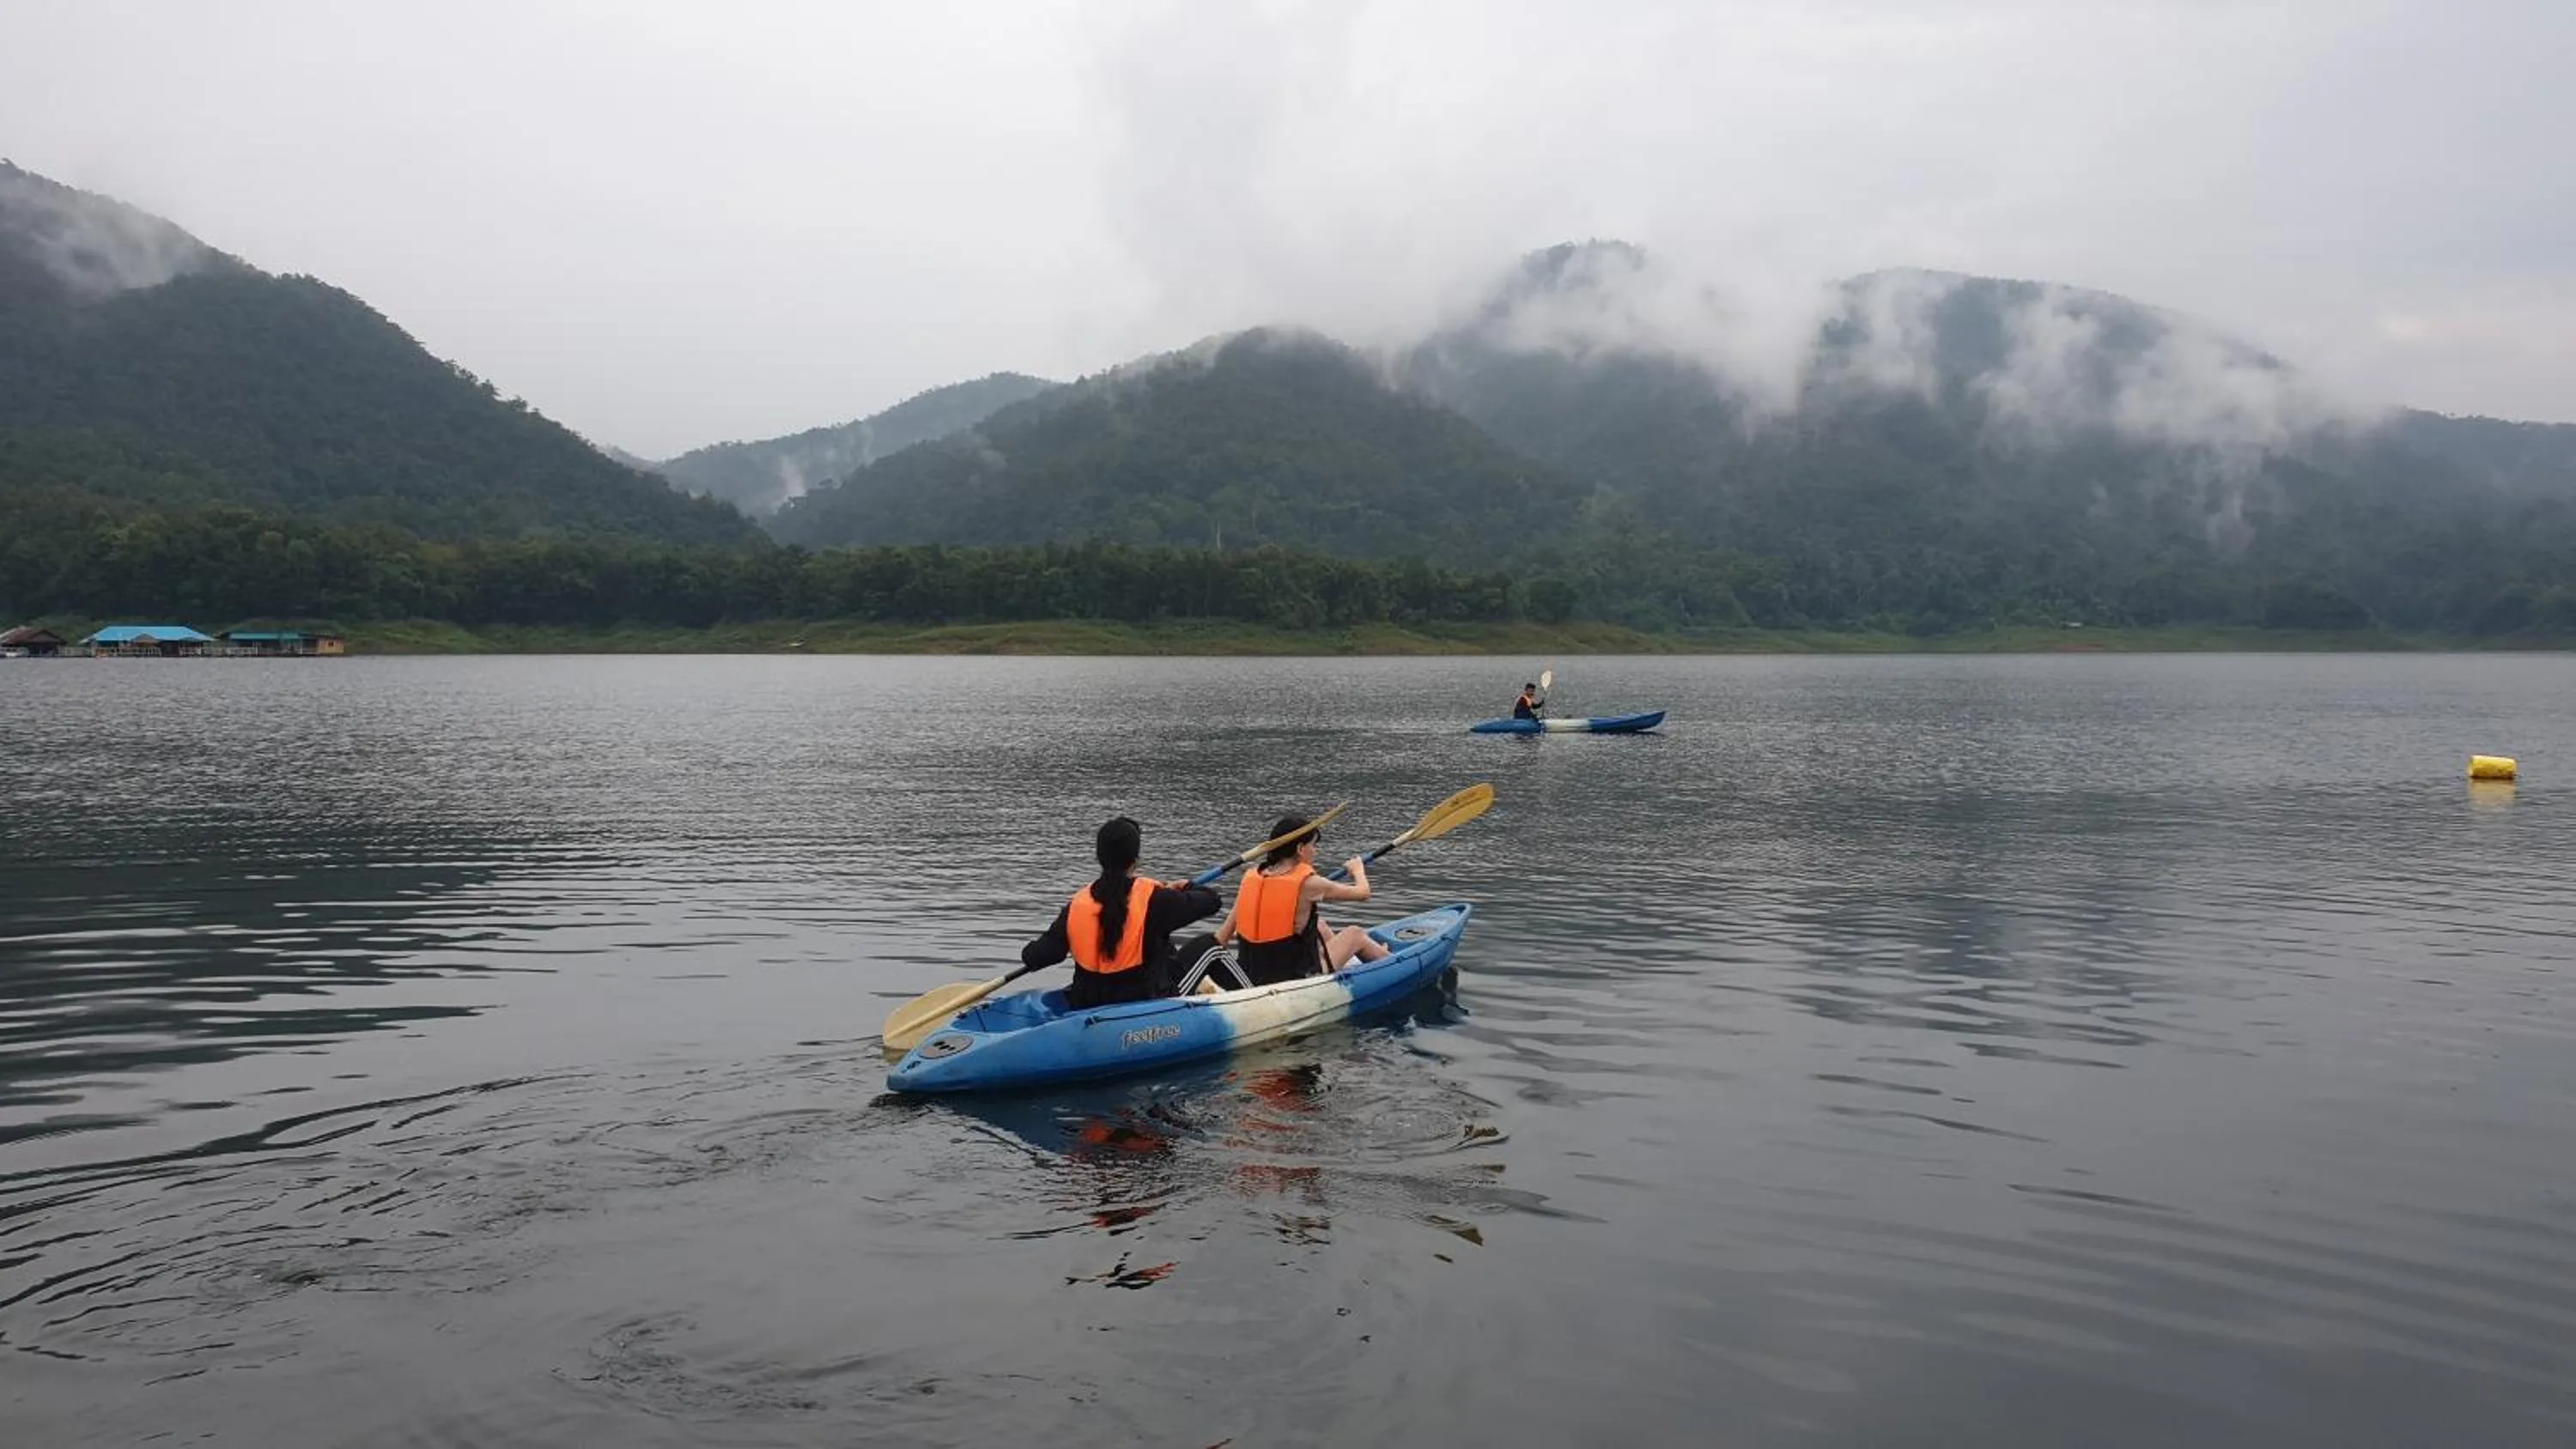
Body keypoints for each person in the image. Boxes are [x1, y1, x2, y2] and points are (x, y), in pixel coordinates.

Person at [1022, 816, 1222, 1007]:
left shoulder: (1076, 906)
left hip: (1087, 1002)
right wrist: (1186, 886)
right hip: (1145, 1004)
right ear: (1135, 860)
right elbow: (1212, 901)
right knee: (1209, 946)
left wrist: (1029, 952)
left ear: (1100, 858)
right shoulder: (1157, 900)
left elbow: (1039, 956)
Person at [1211, 815, 1392, 986]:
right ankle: (1388, 961)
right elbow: (1363, 893)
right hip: (1296, 976)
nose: (1315, 851)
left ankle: (1350, 961)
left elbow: (1223, 936)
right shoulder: (1310, 883)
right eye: (1313, 845)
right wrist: (1357, 869)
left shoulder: (1252, 877)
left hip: (1252, 972)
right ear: (1299, 849)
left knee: (1319, 925)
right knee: (1355, 934)